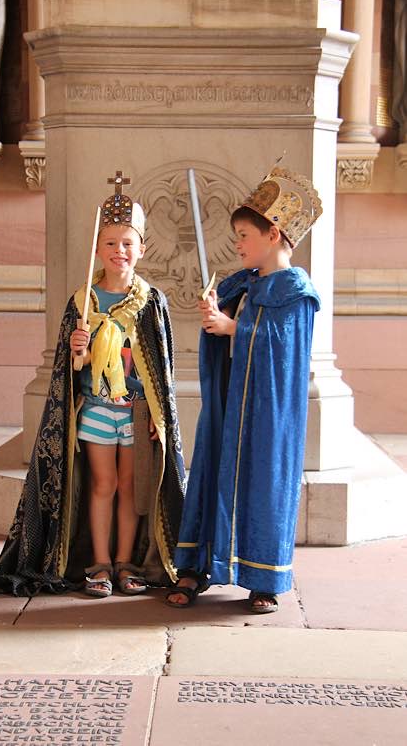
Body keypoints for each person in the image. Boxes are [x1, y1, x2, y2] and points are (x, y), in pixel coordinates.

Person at [0, 172, 186, 598]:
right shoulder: (83, 302)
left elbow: (159, 371)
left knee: (131, 488)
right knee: (102, 485)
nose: (120, 251)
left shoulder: (151, 302)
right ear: (98, 249)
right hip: (95, 409)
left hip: (134, 412)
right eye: (111, 243)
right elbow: (72, 371)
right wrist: (80, 350)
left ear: (142, 250)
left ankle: (128, 563)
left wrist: (159, 418)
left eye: (128, 243)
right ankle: (98, 563)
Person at [166, 165, 322, 613]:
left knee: (265, 482)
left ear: (273, 234)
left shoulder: (296, 291)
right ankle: (197, 567)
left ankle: (264, 578)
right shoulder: (243, 284)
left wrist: (234, 327)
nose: (237, 244)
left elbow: (284, 348)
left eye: (243, 236)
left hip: (269, 412)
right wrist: (216, 315)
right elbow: (228, 329)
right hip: (230, 403)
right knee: (213, 475)